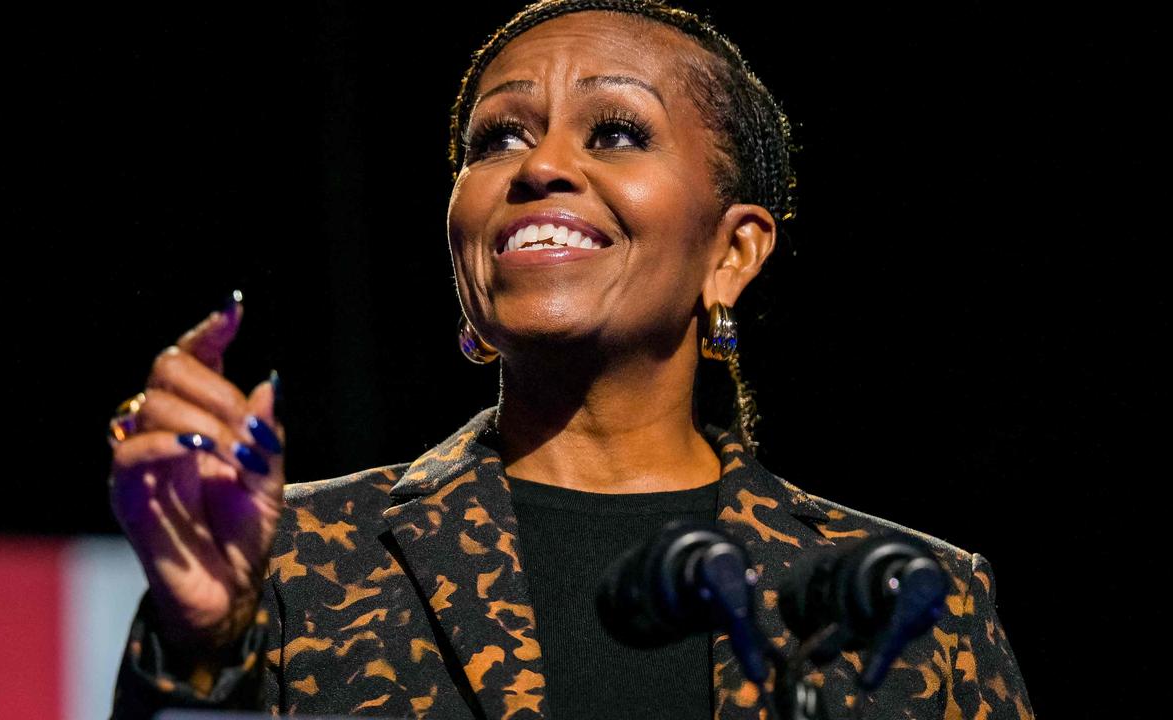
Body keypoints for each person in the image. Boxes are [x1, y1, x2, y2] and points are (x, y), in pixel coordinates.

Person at [106, 1, 1036, 718]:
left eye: (617, 132)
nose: (538, 167)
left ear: (732, 252)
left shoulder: (916, 600)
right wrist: (199, 642)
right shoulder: (296, 562)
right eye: (497, 138)